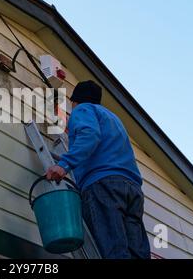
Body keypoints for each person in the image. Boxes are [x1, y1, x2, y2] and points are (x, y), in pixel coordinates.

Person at [45, 80, 151, 259]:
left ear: (75, 101)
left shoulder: (82, 110)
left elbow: (89, 135)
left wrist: (63, 165)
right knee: (137, 253)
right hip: (132, 190)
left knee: (114, 250)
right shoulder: (112, 118)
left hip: (103, 186)